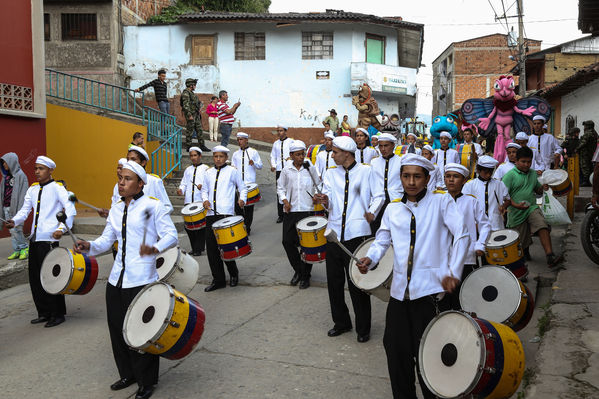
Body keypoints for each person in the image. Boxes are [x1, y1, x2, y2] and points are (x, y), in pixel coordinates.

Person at [356, 153, 469, 399]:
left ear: (427, 179)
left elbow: (461, 235)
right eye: (406, 176)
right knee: (395, 350)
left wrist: (453, 271)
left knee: (429, 355)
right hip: (399, 294)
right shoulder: (394, 207)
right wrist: (371, 258)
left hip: (429, 294)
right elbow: (383, 239)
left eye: (417, 176)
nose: (411, 182)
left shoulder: (442, 202)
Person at [74, 161, 178, 399]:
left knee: (142, 332)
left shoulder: (153, 206)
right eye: (120, 178)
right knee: (117, 329)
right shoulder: (116, 209)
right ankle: (128, 373)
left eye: (127, 179)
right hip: (116, 280)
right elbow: (105, 241)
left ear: (140, 183)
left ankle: (147, 381)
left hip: (141, 280)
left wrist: (154, 248)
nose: (121, 183)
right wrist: (88, 246)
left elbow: (171, 235)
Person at [314, 136, 380, 343]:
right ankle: (341, 322)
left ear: (347, 154)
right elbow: (329, 201)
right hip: (333, 235)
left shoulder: (367, 171)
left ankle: (363, 327)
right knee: (334, 283)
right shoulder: (331, 173)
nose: (332, 155)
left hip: (356, 234)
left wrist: (371, 212)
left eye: (335, 152)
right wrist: (324, 201)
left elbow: (379, 196)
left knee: (357, 284)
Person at [5, 156, 76, 328]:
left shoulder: (58, 188)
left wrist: (61, 229)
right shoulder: (33, 189)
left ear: (50, 170)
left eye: (41, 168)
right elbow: (25, 210)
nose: (37, 171)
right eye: (36, 168)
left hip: (50, 240)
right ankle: (43, 312)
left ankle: (57, 314)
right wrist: (15, 221)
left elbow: (71, 209)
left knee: (52, 278)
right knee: (36, 278)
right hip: (36, 239)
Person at [503, 146, 564, 268]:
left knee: (542, 224)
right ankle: (525, 252)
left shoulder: (533, 174)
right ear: (516, 161)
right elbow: (503, 196)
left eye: (529, 162)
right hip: (515, 211)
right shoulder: (509, 176)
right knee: (521, 240)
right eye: (523, 162)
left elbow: (538, 190)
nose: (526, 164)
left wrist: (543, 187)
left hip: (531, 207)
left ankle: (550, 255)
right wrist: (515, 205)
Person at [201, 146, 247, 292]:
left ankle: (233, 273)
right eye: (216, 156)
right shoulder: (208, 172)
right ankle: (218, 279)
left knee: (226, 246)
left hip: (225, 213)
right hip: (210, 214)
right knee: (212, 249)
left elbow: (243, 187)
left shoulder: (232, 171)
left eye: (221, 156)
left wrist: (242, 199)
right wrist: (204, 199)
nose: (218, 159)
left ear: (226, 157)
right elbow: (204, 190)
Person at [277, 140, 318, 289]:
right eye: (298, 154)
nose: (301, 157)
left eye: (303, 154)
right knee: (287, 241)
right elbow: (280, 188)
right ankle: (298, 270)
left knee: (306, 245)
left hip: (307, 210)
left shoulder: (310, 167)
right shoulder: (286, 170)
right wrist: (285, 200)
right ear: (291, 155)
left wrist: (316, 195)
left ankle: (305, 276)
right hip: (291, 210)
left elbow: (318, 184)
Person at [444, 163, 490, 287]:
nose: (451, 180)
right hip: (442, 257)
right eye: (448, 176)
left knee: (465, 291)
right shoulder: (437, 201)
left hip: (466, 255)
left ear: (464, 180)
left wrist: (480, 244)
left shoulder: (471, 201)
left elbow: (485, 224)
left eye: (455, 176)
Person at [462, 155, 511, 231]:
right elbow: (464, 205)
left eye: (491, 172)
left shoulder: (499, 184)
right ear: (478, 170)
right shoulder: (469, 185)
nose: (488, 175)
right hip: (477, 226)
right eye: (485, 172)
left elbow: (508, 200)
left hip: (496, 225)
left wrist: (503, 206)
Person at [178, 146, 209, 256]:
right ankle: (195, 247)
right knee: (189, 227)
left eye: (195, 155)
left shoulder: (206, 169)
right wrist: (181, 189)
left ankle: (199, 248)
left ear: (200, 156)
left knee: (200, 227)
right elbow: (184, 183)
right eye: (191, 155)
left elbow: (209, 184)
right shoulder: (188, 170)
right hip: (188, 202)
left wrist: (203, 186)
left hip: (199, 202)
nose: (193, 157)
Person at [369, 133, 403, 234]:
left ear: (393, 145)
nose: (383, 149)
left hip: (395, 201)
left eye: (386, 145)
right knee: (376, 232)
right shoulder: (374, 162)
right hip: (378, 203)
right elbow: (371, 183)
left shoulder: (401, 161)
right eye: (381, 146)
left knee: (395, 232)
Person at [125, 146, 173, 214]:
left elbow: (167, 207)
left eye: (133, 159)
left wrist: (151, 218)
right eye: (128, 159)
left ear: (143, 163)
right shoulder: (123, 182)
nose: (129, 162)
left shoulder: (154, 181)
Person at [231, 132, 263, 235]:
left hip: (249, 184)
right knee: (238, 207)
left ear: (246, 140)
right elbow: (233, 167)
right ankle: (242, 224)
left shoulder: (253, 152)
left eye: (241, 139)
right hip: (239, 184)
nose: (239, 142)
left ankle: (247, 228)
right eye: (238, 140)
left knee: (249, 208)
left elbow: (260, 166)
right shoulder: (235, 154)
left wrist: (254, 163)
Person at [1, 152, 29, 260]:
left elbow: (23, 194)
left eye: (5, 163)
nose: (4, 165)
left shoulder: (21, 176)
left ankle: (24, 248)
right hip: (6, 207)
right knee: (11, 231)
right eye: (3, 163)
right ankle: (17, 250)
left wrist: (20, 210)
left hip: (16, 208)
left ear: (12, 162)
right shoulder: (5, 178)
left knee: (17, 229)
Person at [270, 125, 292, 223]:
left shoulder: (291, 142)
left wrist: (290, 160)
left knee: (290, 190)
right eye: (278, 131)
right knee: (280, 191)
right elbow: (272, 156)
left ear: (285, 131)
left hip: (289, 169)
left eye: (281, 131)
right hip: (279, 170)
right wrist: (274, 165)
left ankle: (290, 211)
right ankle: (281, 215)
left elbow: (294, 153)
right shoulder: (275, 143)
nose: (279, 132)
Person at [181, 78, 209, 152]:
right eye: (194, 85)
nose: (195, 86)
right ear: (191, 85)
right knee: (190, 131)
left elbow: (197, 102)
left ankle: (202, 145)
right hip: (191, 114)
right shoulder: (186, 93)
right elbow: (185, 105)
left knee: (199, 130)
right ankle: (189, 146)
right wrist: (189, 115)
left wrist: (199, 106)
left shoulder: (192, 93)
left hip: (196, 114)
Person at [578, 121, 598, 187]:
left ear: (588, 126)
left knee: (585, 166)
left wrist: (576, 149)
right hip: (592, 152)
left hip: (585, 153)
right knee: (590, 166)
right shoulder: (595, 133)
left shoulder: (588, 133)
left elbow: (583, 143)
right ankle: (590, 180)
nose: (584, 127)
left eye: (585, 126)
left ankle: (586, 181)